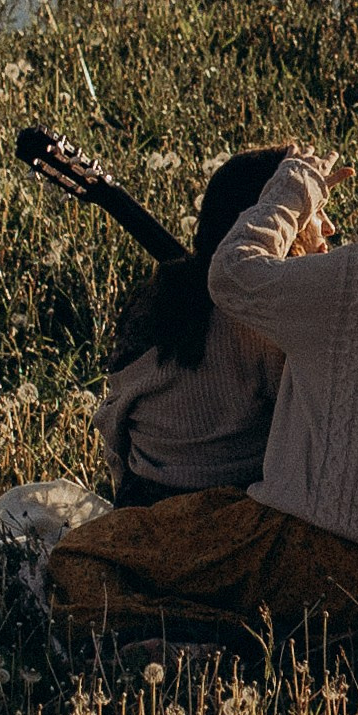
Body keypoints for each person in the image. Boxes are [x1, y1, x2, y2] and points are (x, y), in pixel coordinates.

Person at [47, 127, 358, 644]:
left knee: (79, 553)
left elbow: (231, 274)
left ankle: (198, 633)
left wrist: (297, 185)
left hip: (295, 550)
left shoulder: (357, 280)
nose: (329, 227)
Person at [95, 147, 289, 504]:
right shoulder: (264, 322)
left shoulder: (156, 302)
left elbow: (114, 420)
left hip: (142, 508)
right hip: (238, 516)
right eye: (312, 213)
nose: (329, 227)